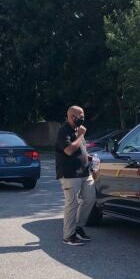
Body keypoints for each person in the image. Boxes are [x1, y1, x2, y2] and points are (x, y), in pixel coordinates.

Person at [55, 105, 96, 246]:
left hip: (85, 172)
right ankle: (68, 236)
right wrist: (80, 136)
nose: (82, 118)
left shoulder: (78, 130)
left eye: (83, 115)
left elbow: (80, 149)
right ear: (71, 117)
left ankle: (78, 227)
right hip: (70, 174)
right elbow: (68, 150)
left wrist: (89, 158)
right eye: (80, 116)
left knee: (90, 199)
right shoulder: (63, 131)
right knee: (72, 204)